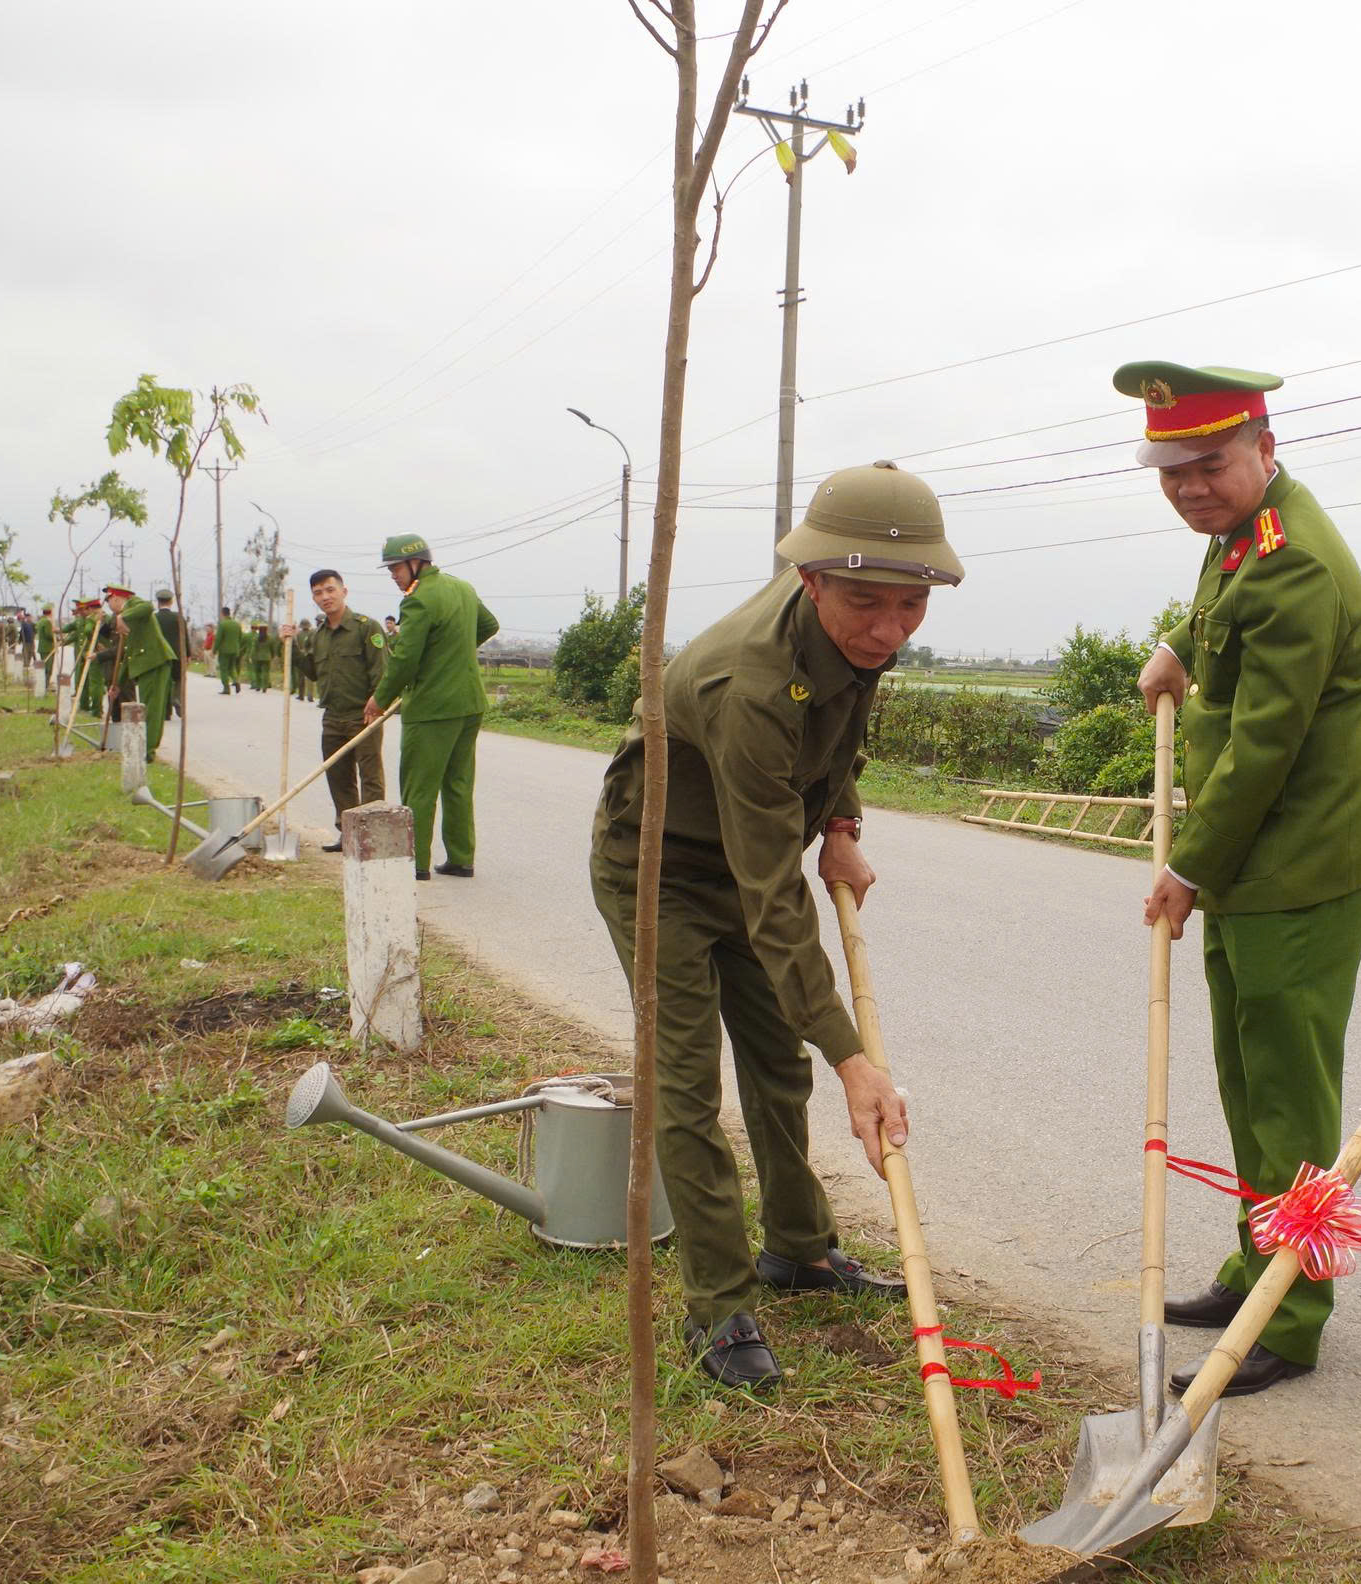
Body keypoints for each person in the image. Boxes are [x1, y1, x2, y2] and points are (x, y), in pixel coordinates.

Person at [586, 462, 957, 1388]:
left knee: (776, 1061)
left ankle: (800, 1248)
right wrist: (855, 1058)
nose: (888, 629)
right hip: (659, 869)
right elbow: (769, 893)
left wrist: (838, 823)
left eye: (910, 607)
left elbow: (828, 738)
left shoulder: (850, 627)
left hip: (745, 849)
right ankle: (717, 1302)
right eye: (867, 604)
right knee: (685, 1084)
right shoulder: (750, 681)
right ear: (812, 579)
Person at [1120, 361, 1361, 1397]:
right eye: (1172, 469)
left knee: (1289, 1099)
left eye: (1211, 464)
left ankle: (1295, 1306)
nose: (1191, 485)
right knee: (1248, 1083)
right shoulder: (1245, 539)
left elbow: (1261, 750)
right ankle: (1254, 1265)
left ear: (1265, 450)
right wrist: (1176, 644)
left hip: (1295, 865)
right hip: (1256, 866)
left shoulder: (1293, 563)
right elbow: (1223, 621)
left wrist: (1186, 867)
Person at [364, 533, 497, 881]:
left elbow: (405, 660)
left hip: (434, 706)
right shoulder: (462, 588)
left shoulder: (418, 600)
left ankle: (416, 862)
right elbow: (489, 625)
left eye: (396, 568)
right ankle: (461, 857)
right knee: (458, 782)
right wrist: (452, 652)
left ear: (416, 563)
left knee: (419, 787)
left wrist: (379, 699)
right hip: (470, 703)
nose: (393, 575)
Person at [306, 570, 388, 853]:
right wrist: (288, 644)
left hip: (363, 715)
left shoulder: (367, 628)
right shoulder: (319, 636)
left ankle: (373, 836)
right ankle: (348, 834)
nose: (325, 597)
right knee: (338, 778)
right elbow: (311, 672)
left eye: (330, 590)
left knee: (370, 777)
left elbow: (381, 670)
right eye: (318, 593)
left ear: (344, 591)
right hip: (332, 716)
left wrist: (379, 704)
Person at [103, 583, 174, 761]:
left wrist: (122, 617)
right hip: (147, 665)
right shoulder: (126, 615)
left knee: (152, 709)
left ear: (116, 598)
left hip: (155, 662)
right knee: (148, 708)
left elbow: (148, 606)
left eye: (109, 601)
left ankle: (147, 752)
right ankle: (146, 749)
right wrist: (117, 684)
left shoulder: (133, 604)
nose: (109, 607)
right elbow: (128, 653)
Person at [152, 591, 185, 719]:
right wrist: (187, 654)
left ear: (158, 602)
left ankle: (166, 713)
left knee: (163, 682)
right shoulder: (178, 617)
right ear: (171, 602)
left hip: (160, 655)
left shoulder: (153, 618)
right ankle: (176, 698)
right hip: (177, 654)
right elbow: (184, 637)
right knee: (178, 679)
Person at [215, 607, 245, 694]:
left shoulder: (223, 624)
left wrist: (214, 650)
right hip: (235, 650)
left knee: (224, 669)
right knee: (232, 668)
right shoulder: (237, 624)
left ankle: (226, 689)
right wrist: (237, 647)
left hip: (224, 651)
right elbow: (240, 637)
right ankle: (236, 681)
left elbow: (218, 639)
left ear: (222, 613)